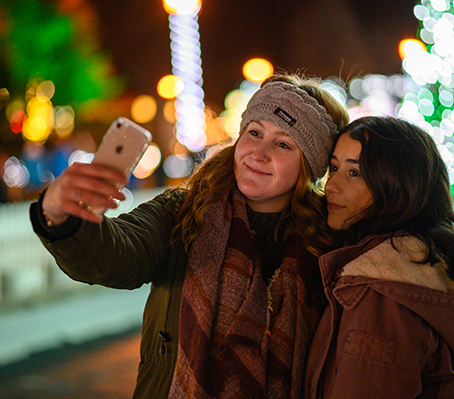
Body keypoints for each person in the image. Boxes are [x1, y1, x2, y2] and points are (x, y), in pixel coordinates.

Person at [30, 73, 350, 399]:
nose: (258, 152)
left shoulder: (327, 247)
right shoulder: (182, 214)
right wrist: (59, 215)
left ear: (308, 168)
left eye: (283, 144)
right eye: (254, 133)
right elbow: (115, 256)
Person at [303, 116, 454, 399]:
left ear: (399, 184)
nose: (331, 186)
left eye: (354, 173)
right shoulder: (413, 267)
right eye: (334, 168)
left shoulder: (381, 291)